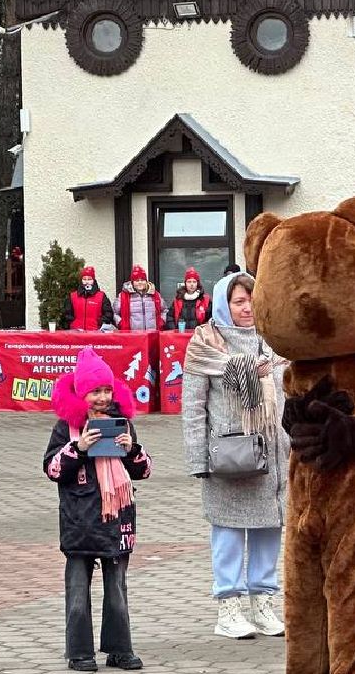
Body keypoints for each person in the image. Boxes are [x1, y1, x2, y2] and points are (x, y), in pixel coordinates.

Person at [182, 271, 288, 639]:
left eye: (252, 300)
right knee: (227, 530)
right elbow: (193, 407)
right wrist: (198, 459)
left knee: (268, 526)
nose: (247, 308)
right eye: (239, 301)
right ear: (224, 304)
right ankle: (228, 606)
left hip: (272, 453)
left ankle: (262, 601)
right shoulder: (205, 343)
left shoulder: (274, 342)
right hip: (227, 455)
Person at [44, 348, 152, 671]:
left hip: (117, 522)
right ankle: (79, 652)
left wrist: (132, 450)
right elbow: (51, 468)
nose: (102, 397)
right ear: (81, 393)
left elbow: (145, 470)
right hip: (79, 522)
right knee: (78, 590)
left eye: (107, 390)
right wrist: (78, 449)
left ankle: (119, 649)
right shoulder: (67, 428)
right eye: (95, 391)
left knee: (117, 588)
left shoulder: (122, 424)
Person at [61, 266, 116, 331]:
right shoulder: (73, 296)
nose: (87, 282)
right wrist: (74, 323)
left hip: (95, 333)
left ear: (93, 280)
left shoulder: (101, 296)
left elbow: (108, 313)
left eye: (89, 279)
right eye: (84, 279)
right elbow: (67, 314)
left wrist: (99, 322)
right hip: (77, 333)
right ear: (81, 280)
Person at [118, 265, 162, 331]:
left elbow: (164, 310)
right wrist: (121, 323)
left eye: (142, 280)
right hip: (132, 336)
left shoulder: (155, 295)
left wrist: (161, 322)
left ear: (146, 281)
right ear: (132, 282)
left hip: (152, 335)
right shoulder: (123, 296)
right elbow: (115, 313)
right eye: (137, 280)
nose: (140, 282)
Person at [167, 268, 211, 332]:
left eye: (194, 282)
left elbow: (210, 319)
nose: (192, 284)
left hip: (199, 337)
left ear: (197, 283)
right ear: (185, 283)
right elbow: (170, 317)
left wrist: (204, 332)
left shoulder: (205, 300)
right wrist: (174, 330)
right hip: (180, 336)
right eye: (189, 282)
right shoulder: (177, 300)